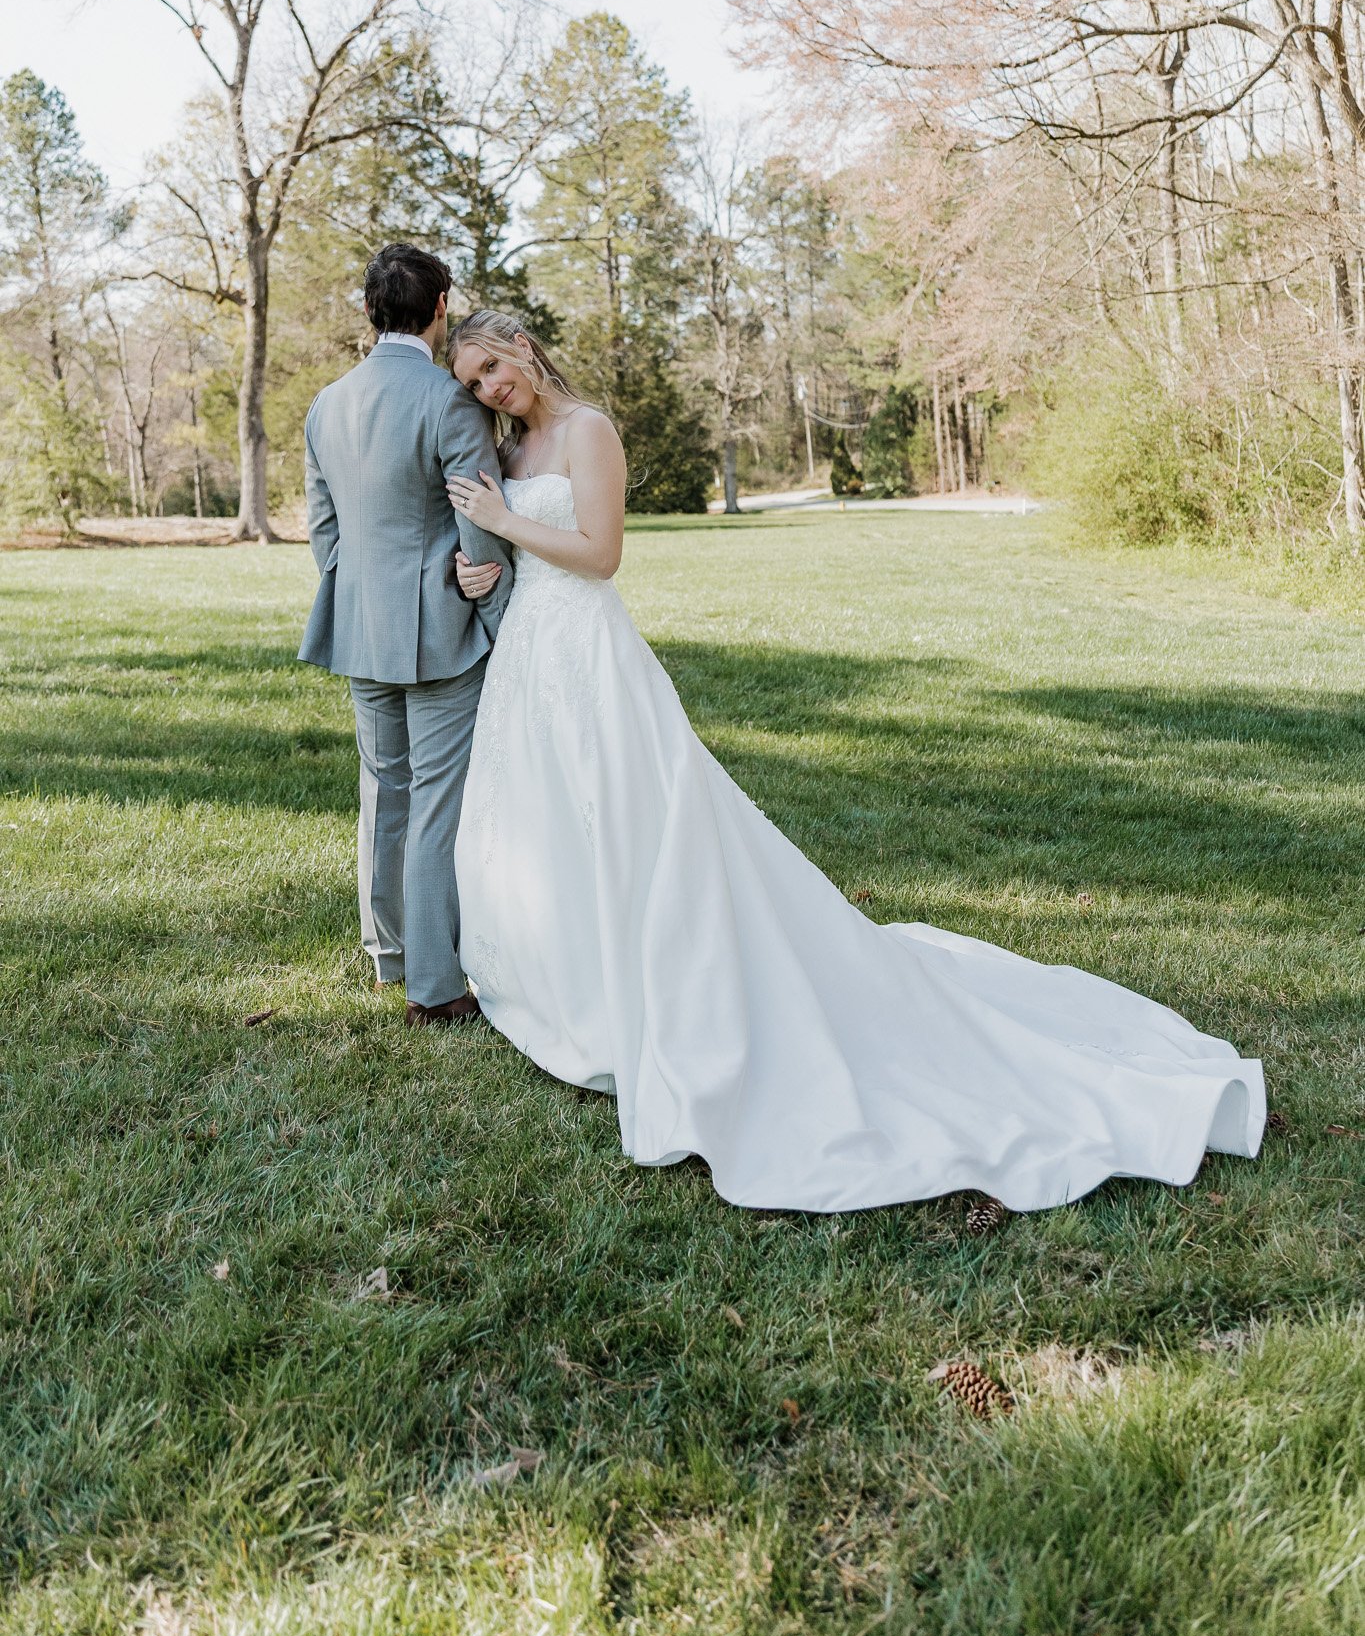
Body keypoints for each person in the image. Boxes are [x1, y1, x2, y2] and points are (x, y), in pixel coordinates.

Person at [443, 306, 1265, 1213]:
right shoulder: (508, 449)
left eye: (492, 368)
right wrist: (483, 565)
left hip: (591, 654)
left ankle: (660, 998)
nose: (489, 389)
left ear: (523, 346)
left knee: (635, 824)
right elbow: (523, 550)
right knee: (552, 825)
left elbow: (600, 556)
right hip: (530, 654)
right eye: (474, 383)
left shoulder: (586, 430)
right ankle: (578, 998)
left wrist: (505, 522)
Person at [299, 248, 513, 1026]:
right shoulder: (451, 402)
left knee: (382, 792)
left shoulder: (327, 403)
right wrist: (501, 621)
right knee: (434, 805)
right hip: (440, 634)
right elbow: (478, 532)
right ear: (441, 305)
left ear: (369, 311)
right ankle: (434, 984)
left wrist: (358, 592)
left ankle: (388, 955)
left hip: (359, 629)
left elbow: (323, 528)